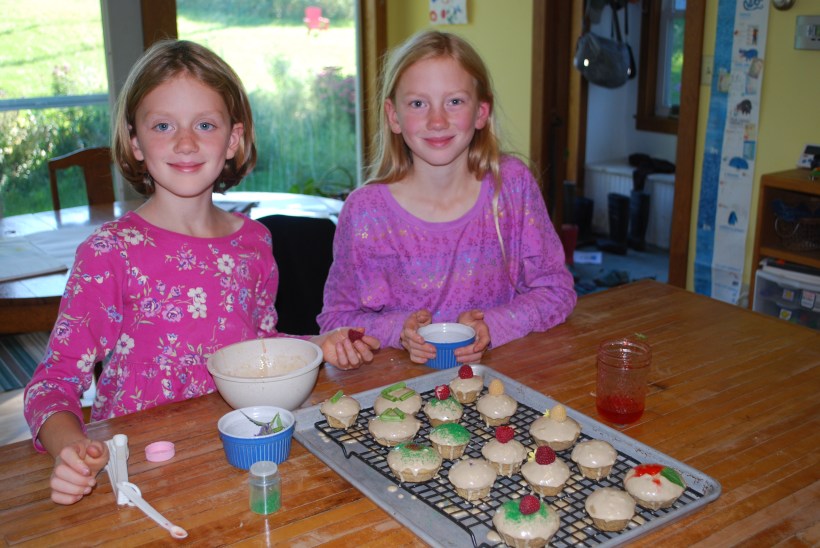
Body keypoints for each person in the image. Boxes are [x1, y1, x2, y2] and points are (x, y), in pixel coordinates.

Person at [24, 40, 379, 505]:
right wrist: (68, 446)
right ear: (135, 139)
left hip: (241, 458)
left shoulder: (254, 242)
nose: (186, 142)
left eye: (205, 125)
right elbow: (52, 384)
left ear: (233, 139)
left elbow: (256, 349)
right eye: (163, 125)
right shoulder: (110, 252)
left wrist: (318, 345)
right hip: (141, 478)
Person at [318, 30, 576, 365]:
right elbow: (335, 321)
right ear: (394, 116)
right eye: (418, 103)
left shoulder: (512, 186)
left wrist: (492, 327)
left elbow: (556, 292)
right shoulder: (365, 211)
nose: (437, 120)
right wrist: (398, 330)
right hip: (399, 393)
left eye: (454, 101)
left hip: (499, 385)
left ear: (481, 112)